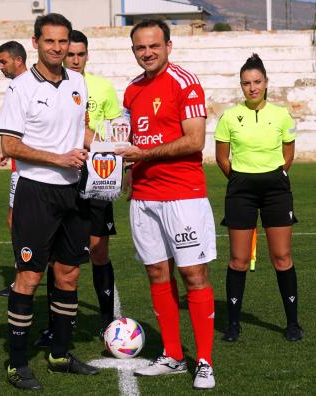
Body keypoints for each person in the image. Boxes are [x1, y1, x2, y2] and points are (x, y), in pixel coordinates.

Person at [0, 13, 98, 391]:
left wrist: (108, 146)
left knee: (68, 273)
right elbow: (10, 145)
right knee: (30, 277)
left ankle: (59, 353)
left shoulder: (78, 82)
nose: (58, 48)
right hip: (36, 191)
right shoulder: (20, 87)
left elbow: (79, 130)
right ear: (36, 41)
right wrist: (58, 158)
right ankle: (18, 363)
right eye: (50, 41)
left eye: (63, 42)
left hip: (74, 190)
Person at [115, 19, 216, 390]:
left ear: (168, 46)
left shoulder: (185, 83)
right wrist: (123, 171)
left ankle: (204, 361)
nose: (148, 53)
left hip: (183, 196)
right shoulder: (131, 91)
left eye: (154, 46)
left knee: (193, 275)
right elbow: (128, 139)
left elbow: (194, 141)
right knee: (157, 273)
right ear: (134, 51)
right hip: (143, 198)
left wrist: (143, 154)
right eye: (141, 48)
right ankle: (173, 355)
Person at [34, 29, 121, 347]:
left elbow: (114, 132)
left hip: (96, 176)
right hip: (58, 177)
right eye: (69, 54)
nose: (74, 59)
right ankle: (54, 326)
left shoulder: (102, 88)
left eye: (80, 54)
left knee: (98, 250)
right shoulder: (45, 86)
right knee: (55, 256)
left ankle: (108, 323)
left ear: (87, 55)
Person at [214, 53, 303, 344]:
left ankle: (292, 323)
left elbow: (288, 152)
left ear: (266, 83)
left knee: (282, 257)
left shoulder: (282, 114)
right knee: (238, 260)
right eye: (246, 83)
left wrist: (273, 174)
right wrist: (242, 178)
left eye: (257, 82)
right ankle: (234, 324)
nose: (252, 88)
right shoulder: (229, 117)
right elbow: (221, 157)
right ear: (241, 86)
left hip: (277, 190)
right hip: (241, 191)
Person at [0, 40, 28, 298]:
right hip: (19, 165)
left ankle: (24, 278)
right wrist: (7, 150)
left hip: (27, 170)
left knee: (18, 222)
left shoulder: (22, 86)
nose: (0, 66)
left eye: (3, 61)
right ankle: (21, 277)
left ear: (18, 60)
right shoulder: (21, 85)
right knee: (15, 221)